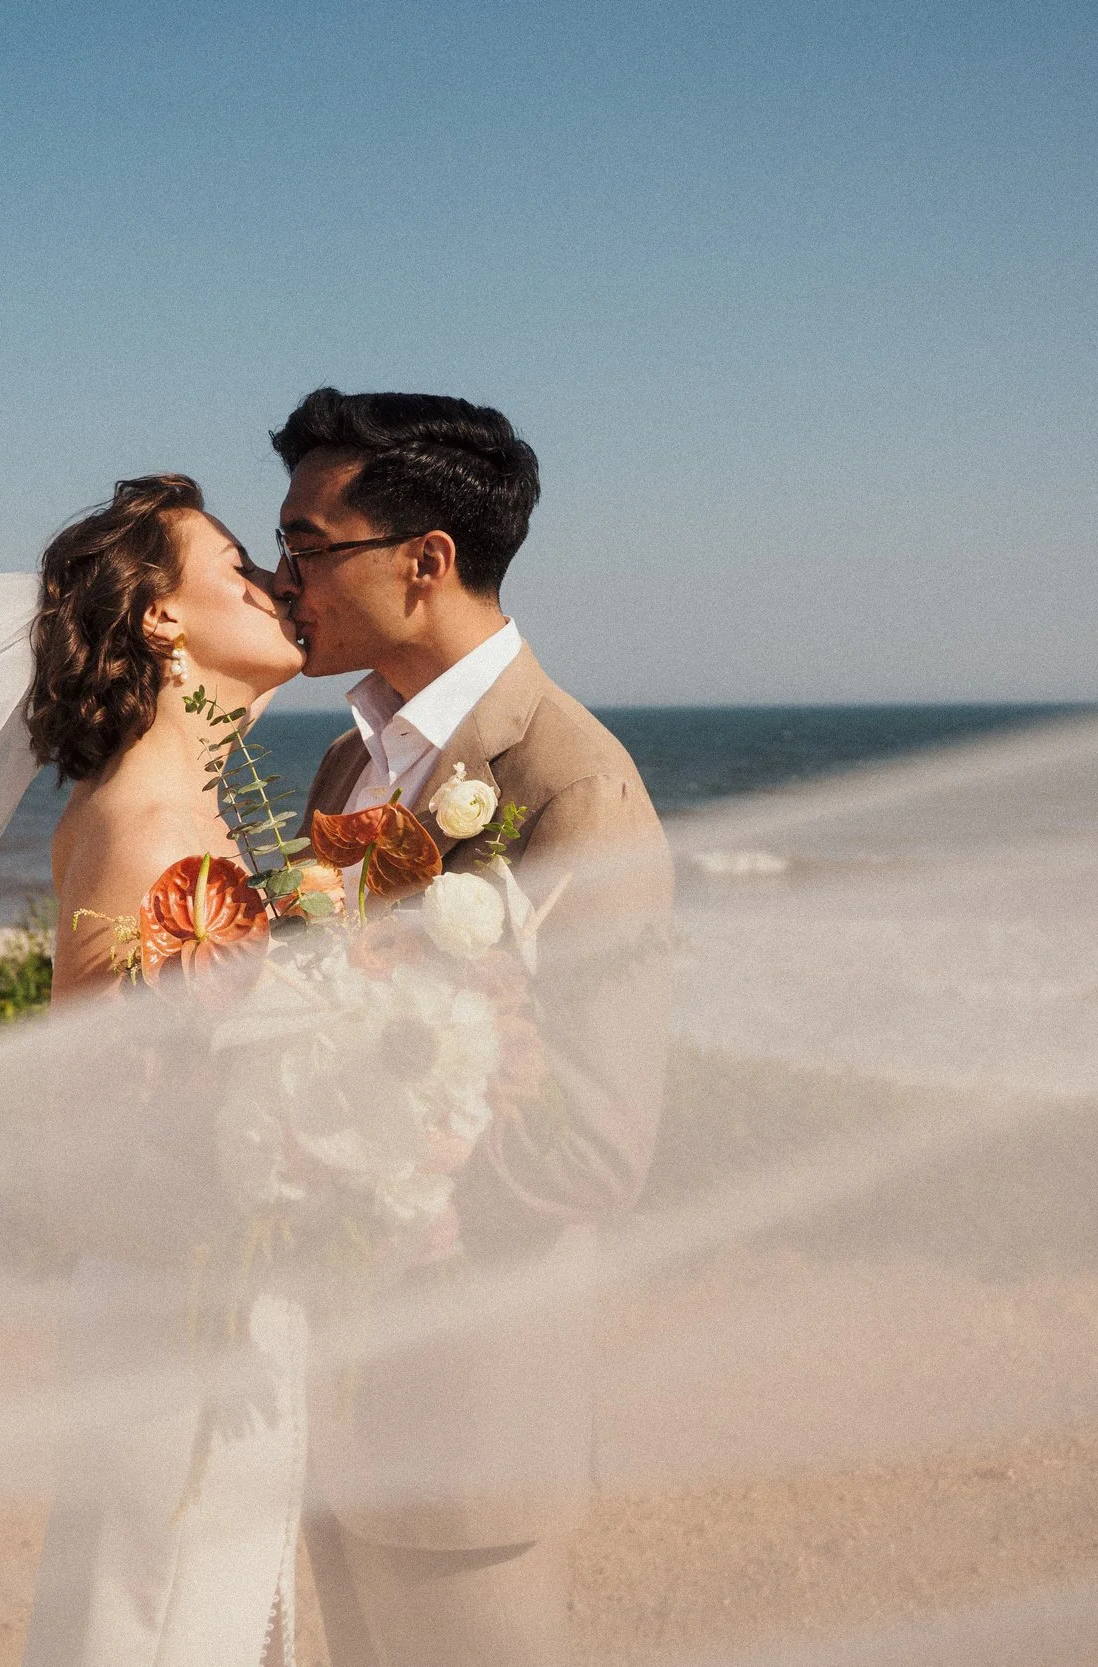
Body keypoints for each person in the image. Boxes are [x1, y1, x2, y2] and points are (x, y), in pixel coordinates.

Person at [267, 389, 673, 1667]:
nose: (284, 582)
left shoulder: (571, 781)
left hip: (467, 1413)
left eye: (307, 546)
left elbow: (597, 1142)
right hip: (329, 1390)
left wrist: (351, 1188)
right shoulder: (347, 765)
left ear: (425, 559)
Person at [18, 474, 314, 1667]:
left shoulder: (190, 808)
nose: (278, 582)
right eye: (239, 564)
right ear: (161, 619)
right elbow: (86, 1143)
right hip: (179, 1319)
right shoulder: (149, 827)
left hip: (211, 1300)